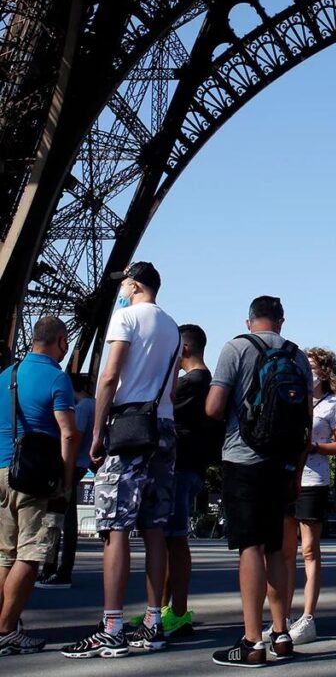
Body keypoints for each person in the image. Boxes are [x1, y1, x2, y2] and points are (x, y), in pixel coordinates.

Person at [62, 262, 181, 658]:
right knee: (155, 529)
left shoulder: (126, 317)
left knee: (115, 528)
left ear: (134, 284)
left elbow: (109, 377)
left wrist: (97, 433)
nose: (123, 290)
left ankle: (112, 625)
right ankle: (153, 622)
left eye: (125, 284)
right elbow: (173, 391)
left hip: (128, 428)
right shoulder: (174, 329)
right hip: (163, 428)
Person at [205, 296, 313, 668]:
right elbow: (305, 423)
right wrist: (297, 472)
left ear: (249, 320)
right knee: (277, 550)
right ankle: (281, 633)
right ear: (282, 321)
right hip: (282, 463)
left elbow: (214, 407)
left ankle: (251, 640)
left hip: (243, 459)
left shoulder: (237, 347)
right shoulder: (298, 357)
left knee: (249, 547)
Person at [0, 317, 79, 655]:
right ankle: (6, 630)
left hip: (2, 469)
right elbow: (69, 433)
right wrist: (66, 480)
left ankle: (3, 624)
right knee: (32, 554)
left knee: (4, 554)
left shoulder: (6, 376)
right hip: (34, 476)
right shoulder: (57, 379)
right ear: (61, 341)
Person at [281, 347, 336, 644]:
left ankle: (308, 617)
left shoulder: (334, 403)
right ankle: (281, 615)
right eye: (304, 366)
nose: (308, 371)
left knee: (309, 550)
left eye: (313, 367)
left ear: (325, 372)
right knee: (284, 552)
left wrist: (315, 447)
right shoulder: (290, 397)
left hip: (314, 479)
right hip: (285, 477)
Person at [162, 323, 214, 636]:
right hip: (192, 466)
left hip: (180, 465)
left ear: (183, 348)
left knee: (175, 539)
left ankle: (176, 611)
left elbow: (162, 405)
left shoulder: (191, 382)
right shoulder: (204, 381)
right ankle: (167, 609)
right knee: (171, 540)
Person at [36, 373, 94, 590]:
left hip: (71, 464)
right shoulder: (93, 405)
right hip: (83, 463)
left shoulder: (82, 408)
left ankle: (54, 568)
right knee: (67, 519)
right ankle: (57, 568)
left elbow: (72, 437)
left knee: (59, 519)